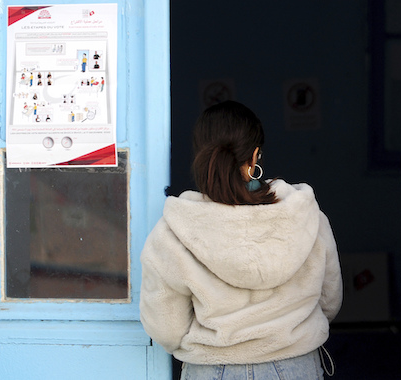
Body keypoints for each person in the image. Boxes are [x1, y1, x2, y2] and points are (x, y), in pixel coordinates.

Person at [139, 100, 343, 379]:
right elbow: (329, 300)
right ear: (255, 156)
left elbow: (165, 326)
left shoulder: (175, 229)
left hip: (212, 369)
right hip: (296, 366)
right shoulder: (307, 216)